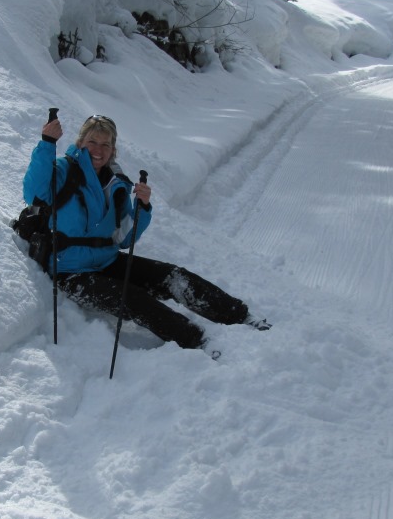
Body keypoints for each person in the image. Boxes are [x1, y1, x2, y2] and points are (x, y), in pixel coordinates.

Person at [23, 113, 269, 352]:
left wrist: (142, 208)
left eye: (106, 144)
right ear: (80, 142)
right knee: (131, 298)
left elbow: (124, 239)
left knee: (172, 276)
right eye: (92, 142)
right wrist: (47, 143)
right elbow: (33, 193)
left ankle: (238, 315)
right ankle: (197, 341)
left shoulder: (117, 183)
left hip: (107, 261)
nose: (98, 150)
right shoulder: (63, 170)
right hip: (69, 272)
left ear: (113, 150)